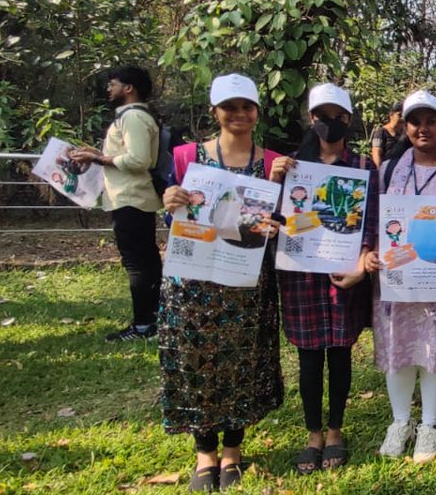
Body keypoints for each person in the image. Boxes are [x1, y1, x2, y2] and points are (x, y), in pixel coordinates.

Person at [158, 73, 285, 492]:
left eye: (247, 107)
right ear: (214, 111)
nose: (239, 115)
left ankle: (232, 448)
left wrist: (275, 224)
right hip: (192, 280)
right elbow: (171, 213)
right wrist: (169, 202)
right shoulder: (184, 157)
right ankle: (204, 451)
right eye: (229, 107)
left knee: (242, 361)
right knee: (194, 360)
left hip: (245, 279)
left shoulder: (271, 163)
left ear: (257, 112)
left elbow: (285, 225)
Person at [268, 83, 379, 474]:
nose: (329, 123)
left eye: (337, 116)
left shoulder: (364, 168)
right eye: (321, 116)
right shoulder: (291, 166)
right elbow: (273, 220)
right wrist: (273, 179)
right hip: (302, 279)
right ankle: (312, 434)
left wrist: (362, 262)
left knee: (341, 354)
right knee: (309, 358)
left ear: (348, 119)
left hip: (343, 274)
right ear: (310, 119)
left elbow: (372, 222)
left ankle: (335, 430)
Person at [362, 89, 436, 464]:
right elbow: (373, 221)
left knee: (434, 349)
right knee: (400, 347)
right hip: (397, 278)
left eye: (431, 121)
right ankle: (400, 421)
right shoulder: (387, 171)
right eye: (415, 121)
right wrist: (372, 254)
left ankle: (428, 425)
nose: (422, 128)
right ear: (405, 126)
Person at [71, 66, 163, 341]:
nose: (108, 89)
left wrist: (98, 159)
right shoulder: (133, 117)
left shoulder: (133, 117)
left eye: (112, 84)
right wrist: (97, 154)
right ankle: (154, 319)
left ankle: (144, 326)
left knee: (137, 263)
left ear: (128, 88)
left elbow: (138, 160)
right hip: (131, 197)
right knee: (145, 261)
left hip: (131, 198)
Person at [370, 101, 404, 167]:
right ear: (391, 115)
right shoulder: (381, 132)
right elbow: (376, 153)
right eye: (399, 115)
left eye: (404, 116)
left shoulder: (406, 134)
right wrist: (380, 172)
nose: (402, 118)